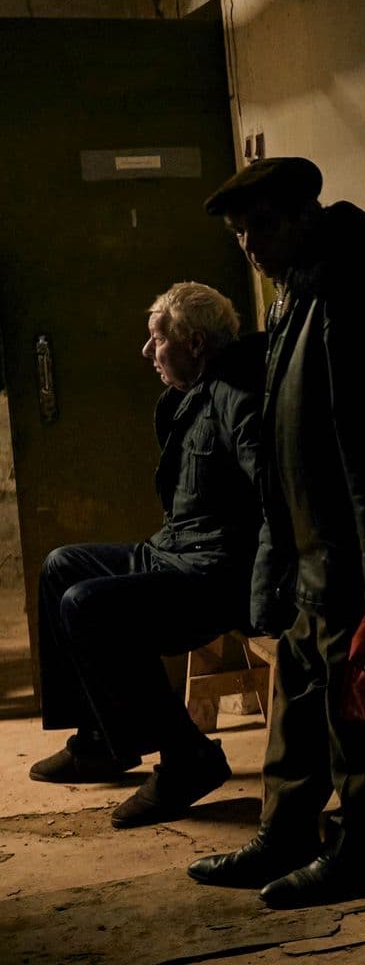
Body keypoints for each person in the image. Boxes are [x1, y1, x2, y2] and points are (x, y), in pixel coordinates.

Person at [186, 157, 365, 908]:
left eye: (260, 225)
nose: (250, 244)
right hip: (309, 552)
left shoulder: (351, 290)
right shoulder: (299, 290)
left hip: (348, 554)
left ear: (303, 215)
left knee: (355, 715)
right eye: (239, 232)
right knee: (297, 702)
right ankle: (286, 834)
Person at [31, 282, 266, 827]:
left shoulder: (236, 398)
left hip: (213, 576)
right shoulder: (191, 392)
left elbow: (276, 495)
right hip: (172, 553)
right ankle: (101, 740)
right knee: (60, 565)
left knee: (87, 604)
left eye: (156, 338)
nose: (146, 351)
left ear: (196, 343)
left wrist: (270, 586)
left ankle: (188, 757)